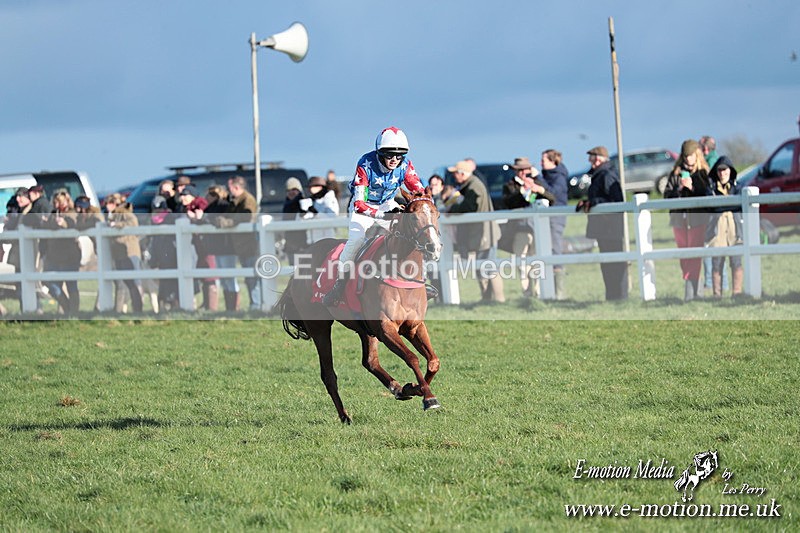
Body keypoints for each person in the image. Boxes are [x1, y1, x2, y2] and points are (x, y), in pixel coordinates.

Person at [322, 126, 425, 306]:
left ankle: (418, 282)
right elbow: (359, 204)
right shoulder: (365, 164)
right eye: (389, 155)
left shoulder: (406, 165)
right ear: (379, 153)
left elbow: (419, 191)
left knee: (410, 235)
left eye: (399, 155)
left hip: (388, 203)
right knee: (356, 241)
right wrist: (381, 215)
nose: (394, 159)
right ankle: (339, 285)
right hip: (363, 207)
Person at [448, 159, 505, 303]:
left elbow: (469, 206)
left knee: (488, 267)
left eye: (456, 173)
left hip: (485, 234)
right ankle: (488, 298)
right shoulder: (471, 185)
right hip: (483, 233)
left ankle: (498, 299)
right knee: (484, 266)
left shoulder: (474, 187)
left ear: (462, 174)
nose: (454, 176)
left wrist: (452, 210)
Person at [576, 146, 628, 301]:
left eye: (592, 158)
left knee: (614, 264)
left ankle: (618, 296)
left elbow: (617, 201)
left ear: (599, 159)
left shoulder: (606, 175)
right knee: (607, 263)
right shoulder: (600, 175)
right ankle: (612, 296)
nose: (590, 162)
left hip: (610, 228)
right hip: (605, 228)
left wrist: (594, 202)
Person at [500, 157, 555, 298]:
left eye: (526, 169)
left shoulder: (537, 182)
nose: (524, 173)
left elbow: (552, 198)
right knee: (522, 263)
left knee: (537, 261)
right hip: (520, 230)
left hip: (537, 229)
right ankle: (527, 293)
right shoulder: (510, 185)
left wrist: (538, 189)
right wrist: (522, 191)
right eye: (520, 170)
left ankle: (538, 290)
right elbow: (509, 203)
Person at [663, 139, 710, 301]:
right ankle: (692, 289)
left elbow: (706, 196)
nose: (688, 159)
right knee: (684, 255)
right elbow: (667, 195)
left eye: (690, 156)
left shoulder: (703, 173)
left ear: (697, 155)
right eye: (685, 156)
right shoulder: (675, 173)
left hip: (697, 220)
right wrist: (680, 189)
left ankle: (692, 292)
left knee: (695, 254)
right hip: (679, 220)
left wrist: (692, 188)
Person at [214, 176, 260, 310]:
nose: (229, 191)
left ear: (236, 187)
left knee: (253, 276)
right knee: (249, 276)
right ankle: (254, 304)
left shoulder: (247, 200)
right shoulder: (237, 201)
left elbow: (247, 216)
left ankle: (256, 304)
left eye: (230, 188)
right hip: (241, 245)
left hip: (249, 244)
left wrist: (227, 222)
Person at [705, 156, 744, 297]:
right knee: (716, 264)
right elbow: (712, 207)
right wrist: (729, 204)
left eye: (725, 170)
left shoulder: (738, 187)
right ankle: (717, 295)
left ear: (730, 171)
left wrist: (721, 204)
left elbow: (739, 205)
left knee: (736, 262)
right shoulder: (711, 189)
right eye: (719, 170)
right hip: (717, 230)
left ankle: (737, 293)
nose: (722, 173)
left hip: (735, 229)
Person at [40, 191, 81, 314]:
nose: (57, 204)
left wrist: (62, 223)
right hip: (53, 255)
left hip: (69, 255)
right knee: (49, 282)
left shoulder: (72, 213)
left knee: (71, 284)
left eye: (60, 201)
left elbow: (71, 224)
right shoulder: (53, 214)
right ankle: (66, 306)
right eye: (55, 202)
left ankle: (73, 312)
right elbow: (48, 226)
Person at [181, 185, 219, 311]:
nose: (183, 198)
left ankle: (212, 306)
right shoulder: (186, 208)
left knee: (210, 274)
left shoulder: (201, 205)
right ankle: (206, 303)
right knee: (203, 273)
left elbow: (206, 220)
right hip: (198, 247)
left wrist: (196, 218)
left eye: (186, 195)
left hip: (207, 245)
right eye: (182, 195)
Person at [106, 193, 143, 313]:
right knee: (123, 282)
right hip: (118, 252)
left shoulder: (125, 213)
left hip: (129, 251)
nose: (107, 205)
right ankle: (119, 309)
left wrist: (116, 225)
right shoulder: (113, 215)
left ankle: (137, 309)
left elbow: (133, 224)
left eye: (110, 202)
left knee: (133, 282)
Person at [540, 149, 569, 299]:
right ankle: (550, 291)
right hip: (548, 217)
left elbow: (554, 194)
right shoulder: (549, 176)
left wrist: (538, 181)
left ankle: (559, 293)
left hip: (556, 217)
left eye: (544, 160)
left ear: (553, 161)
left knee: (555, 250)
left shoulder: (559, 177)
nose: (541, 163)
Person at [203, 185, 238, 311]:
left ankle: (233, 307)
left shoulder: (224, 206)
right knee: (224, 279)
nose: (207, 197)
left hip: (226, 246)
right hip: (218, 247)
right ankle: (230, 307)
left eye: (210, 194)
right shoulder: (211, 207)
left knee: (230, 277)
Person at [147, 195, 179, 312]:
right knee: (163, 282)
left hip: (171, 253)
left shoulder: (171, 218)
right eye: (155, 210)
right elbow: (153, 240)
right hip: (159, 254)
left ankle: (175, 305)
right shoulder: (152, 220)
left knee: (172, 282)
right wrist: (153, 259)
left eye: (160, 209)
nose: (157, 212)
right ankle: (164, 306)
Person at [301, 175, 340, 245]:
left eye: (313, 187)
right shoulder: (314, 200)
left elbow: (332, 217)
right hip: (314, 240)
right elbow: (308, 219)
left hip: (326, 239)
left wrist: (316, 213)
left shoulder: (329, 198)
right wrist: (304, 214)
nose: (310, 190)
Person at [281, 177, 308, 265]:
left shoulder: (304, 203)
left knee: (305, 272)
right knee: (294, 272)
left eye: (294, 189)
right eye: (288, 190)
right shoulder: (287, 205)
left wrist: (300, 197)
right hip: (291, 245)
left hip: (304, 245)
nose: (291, 192)